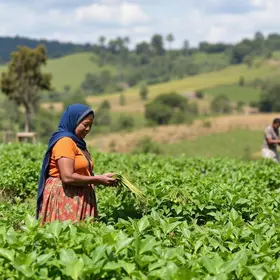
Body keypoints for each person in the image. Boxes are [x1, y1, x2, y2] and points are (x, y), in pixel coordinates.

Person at [36, 103, 117, 224]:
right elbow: (67, 177)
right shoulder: (65, 142)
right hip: (66, 196)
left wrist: (101, 177)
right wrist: (97, 180)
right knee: (67, 237)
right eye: (85, 125)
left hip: (78, 194)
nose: (88, 129)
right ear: (74, 121)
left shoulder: (78, 144)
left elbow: (80, 171)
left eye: (90, 125)